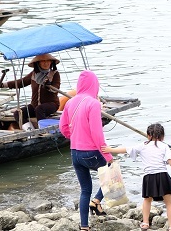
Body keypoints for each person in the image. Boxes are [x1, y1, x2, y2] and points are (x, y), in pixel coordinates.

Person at [59, 70, 112, 231]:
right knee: (111, 171)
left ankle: (84, 226)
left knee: (85, 189)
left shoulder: (70, 102)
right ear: (94, 85)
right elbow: (97, 133)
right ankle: (96, 201)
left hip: (75, 152)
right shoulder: (94, 103)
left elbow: (62, 128)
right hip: (91, 152)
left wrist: (74, 136)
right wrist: (108, 155)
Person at [103, 124, 171, 231]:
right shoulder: (164, 146)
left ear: (148, 135)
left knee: (147, 200)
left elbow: (126, 149)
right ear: (162, 136)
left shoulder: (143, 145)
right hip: (162, 175)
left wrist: (110, 149)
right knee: (169, 202)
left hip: (148, 177)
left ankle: (145, 223)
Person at [0, 54, 61, 129]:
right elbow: (21, 82)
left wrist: (48, 86)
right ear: (38, 63)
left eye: (48, 61)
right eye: (43, 61)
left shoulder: (54, 74)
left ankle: (43, 130)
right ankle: (29, 131)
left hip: (51, 104)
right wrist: (2, 85)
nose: (46, 63)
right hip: (34, 105)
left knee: (40, 109)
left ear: (51, 62)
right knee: (18, 113)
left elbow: (56, 88)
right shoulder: (34, 74)